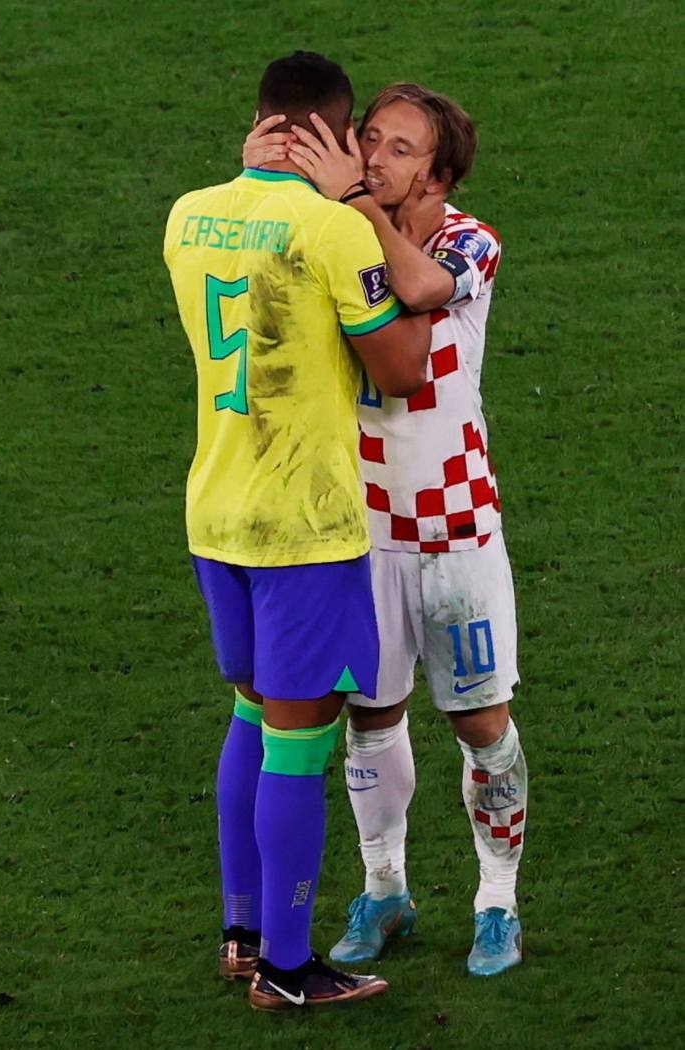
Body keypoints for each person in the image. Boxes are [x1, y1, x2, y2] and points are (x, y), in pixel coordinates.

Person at [163, 54, 431, 1010]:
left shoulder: (187, 213)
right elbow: (401, 366)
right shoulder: (328, 226)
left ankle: (242, 933)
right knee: (299, 741)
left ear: (263, 121)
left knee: (249, 712)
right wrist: (356, 209)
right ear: (330, 130)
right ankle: (287, 968)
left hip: (215, 512)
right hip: (304, 528)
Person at [244, 82, 527, 977]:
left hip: (456, 530)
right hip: (361, 531)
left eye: (400, 149)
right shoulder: (338, 232)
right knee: (372, 718)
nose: (374, 156)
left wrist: (354, 204)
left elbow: (418, 287)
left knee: (483, 722)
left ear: (439, 174)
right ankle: (385, 888)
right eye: (369, 138)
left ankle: (496, 902)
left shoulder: (467, 242)